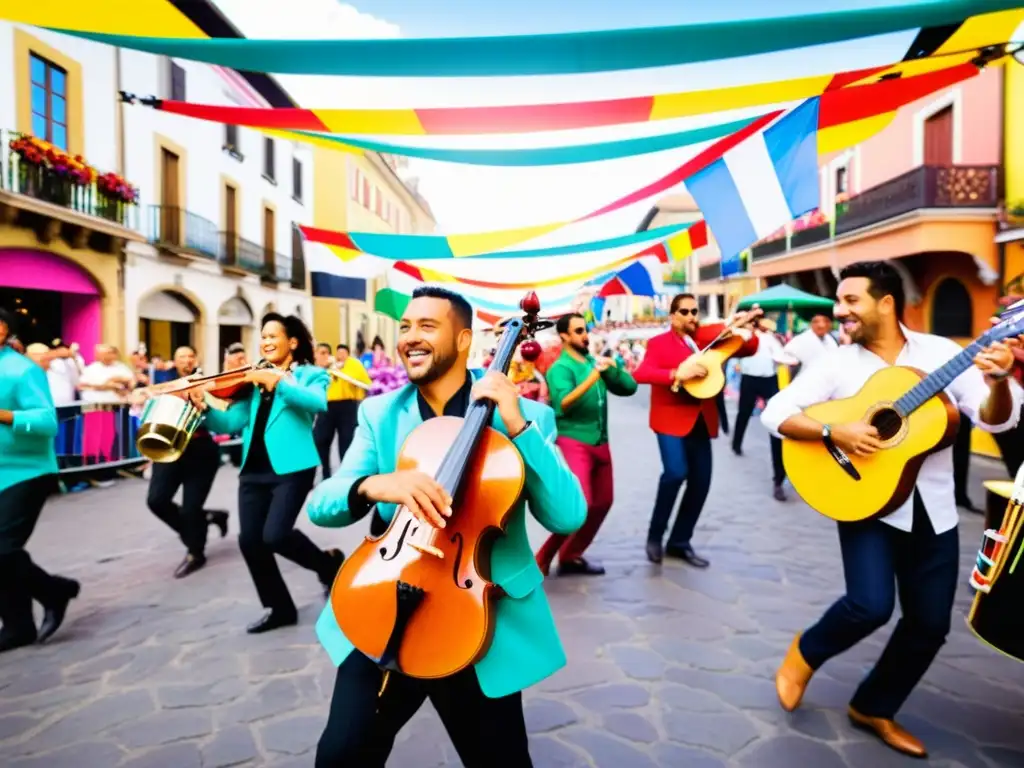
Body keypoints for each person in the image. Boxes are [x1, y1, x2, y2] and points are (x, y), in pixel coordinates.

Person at [306, 286, 586, 767]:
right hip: (384, 602)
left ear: (463, 340)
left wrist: (518, 427)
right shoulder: (379, 413)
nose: (411, 337)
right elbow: (322, 505)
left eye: (427, 326)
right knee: (341, 755)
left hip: (476, 616)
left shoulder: (528, 416)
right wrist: (376, 485)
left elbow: (567, 515)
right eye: (406, 327)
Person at [760, 260, 1023, 757]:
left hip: (934, 509)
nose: (841, 312)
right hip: (865, 501)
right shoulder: (838, 363)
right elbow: (776, 413)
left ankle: (874, 705)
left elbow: (996, 423)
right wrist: (833, 430)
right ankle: (804, 654)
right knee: (869, 605)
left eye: (851, 301)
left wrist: (999, 382)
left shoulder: (945, 354)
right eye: (839, 302)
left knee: (929, 626)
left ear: (886, 302)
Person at [186, 314, 344, 633]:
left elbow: (317, 404)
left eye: (273, 336)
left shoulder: (312, 374)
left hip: (293, 467)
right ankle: (279, 607)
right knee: (251, 541)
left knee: (276, 535)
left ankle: (328, 566)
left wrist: (281, 383)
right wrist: (204, 411)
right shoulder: (252, 380)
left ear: (292, 342)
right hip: (253, 470)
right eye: (263, 337)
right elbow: (231, 423)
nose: (266, 341)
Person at [633, 293, 761, 566]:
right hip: (669, 419)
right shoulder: (658, 343)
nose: (692, 316)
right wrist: (675, 375)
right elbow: (641, 373)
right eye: (685, 311)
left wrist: (747, 330)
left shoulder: (706, 338)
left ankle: (680, 541)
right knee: (675, 473)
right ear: (672, 315)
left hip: (702, 420)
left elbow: (747, 349)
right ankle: (655, 536)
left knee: (701, 483)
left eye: (695, 311)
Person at [0, 308, 80, 652]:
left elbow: (48, 422)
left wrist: (3, 415)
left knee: (2, 549)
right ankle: (18, 626)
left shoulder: (23, 370)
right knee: (4, 553)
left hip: (28, 470)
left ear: (3, 329)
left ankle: (54, 590)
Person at [535, 312, 637, 576]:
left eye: (585, 330)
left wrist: (613, 369)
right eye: (578, 331)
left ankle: (571, 555)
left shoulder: (594, 361)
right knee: (581, 503)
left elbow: (630, 388)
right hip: (573, 439)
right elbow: (563, 403)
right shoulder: (561, 368)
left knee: (603, 501)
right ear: (565, 336)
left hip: (601, 441)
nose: (585, 335)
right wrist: (592, 378)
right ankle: (542, 558)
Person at [142, 346, 229, 578]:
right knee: (156, 501)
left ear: (196, 360)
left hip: (200, 452)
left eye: (191, 356)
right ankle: (206, 520)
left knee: (191, 509)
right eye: (182, 356)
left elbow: (220, 418)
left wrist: (204, 403)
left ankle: (195, 552)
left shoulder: (208, 383)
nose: (187, 360)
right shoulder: (163, 384)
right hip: (169, 449)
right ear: (174, 360)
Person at [731, 318, 788, 501]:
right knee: (744, 414)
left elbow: (781, 357)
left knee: (775, 423)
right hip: (750, 379)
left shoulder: (771, 339)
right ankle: (736, 443)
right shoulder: (745, 336)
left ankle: (778, 480)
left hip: (768, 380)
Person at [314, 343, 371, 479]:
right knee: (320, 439)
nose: (341, 355)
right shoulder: (324, 366)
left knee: (346, 440)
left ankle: (345, 475)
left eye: (343, 353)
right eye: (338, 352)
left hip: (347, 406)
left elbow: (366, 383)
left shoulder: (354, 365)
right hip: (326, 406)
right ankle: (325, 473)